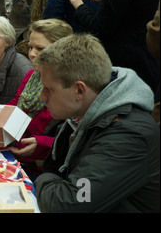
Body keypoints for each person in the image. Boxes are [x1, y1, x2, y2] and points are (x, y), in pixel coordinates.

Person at [33, 34, 160, 212]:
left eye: (49, 89)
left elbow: (67, 205)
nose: (42, 96)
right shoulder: (83, 114)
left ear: (79, 90)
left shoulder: (128, 136)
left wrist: (42, 179)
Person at [5, 19, 73, 180]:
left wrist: (41, 143)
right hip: (17, 157)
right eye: (30, 47)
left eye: (40, 49)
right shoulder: (32, 76)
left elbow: (73, 140)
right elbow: (14, 106)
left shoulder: (71, 87)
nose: (31, 54)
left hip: (44, 171)